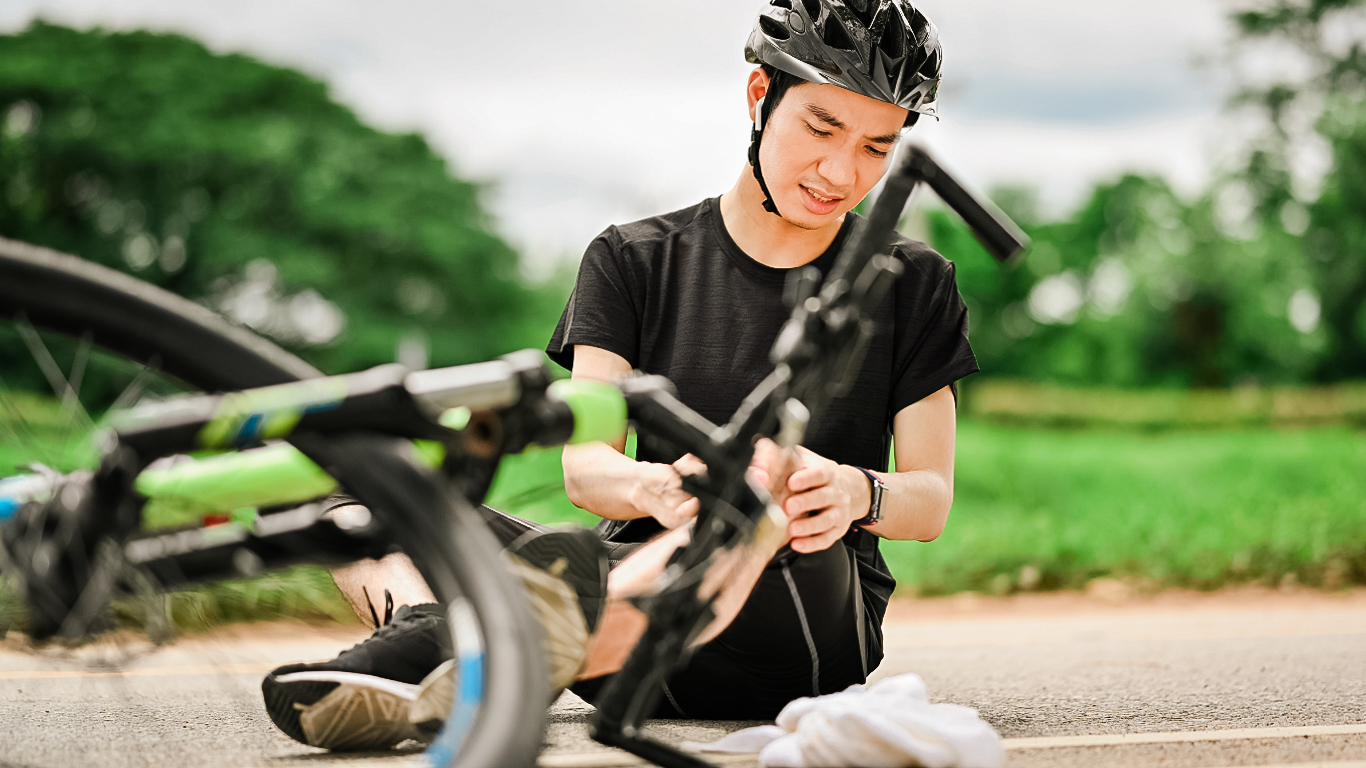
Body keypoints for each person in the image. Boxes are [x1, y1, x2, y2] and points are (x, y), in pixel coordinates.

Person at [262, 0, 976, 748]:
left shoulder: (915, 281)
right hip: (623, 618)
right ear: (761, 97)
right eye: (822, 127)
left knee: (764, 480)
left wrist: (855, 490)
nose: (841, 171)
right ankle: (441, 641)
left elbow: (928, 501)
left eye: (877, 147)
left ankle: (465, 643)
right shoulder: (633, 259)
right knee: (358, 484)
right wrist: (656, 488)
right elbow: (587, 466)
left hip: (797, 623)